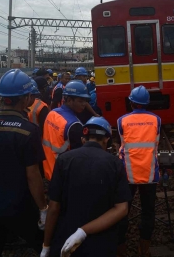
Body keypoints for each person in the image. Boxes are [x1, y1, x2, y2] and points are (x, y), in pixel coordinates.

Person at [0, 69, 48, 256]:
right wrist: (43, 208)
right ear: (26, 98)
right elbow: (33, 175)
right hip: (19, 206)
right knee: (41, 245)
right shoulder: (29, 131)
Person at [40, 117, 132, 257]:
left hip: (66, 240)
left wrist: (46, 246)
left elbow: (54, 207)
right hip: (102, 243)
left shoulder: (64, 160)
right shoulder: (115, 164)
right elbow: (121, 209)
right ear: (106, 139)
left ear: (84, 139)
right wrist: (83, 231)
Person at [117, 86, 161, 257]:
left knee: (122, 211)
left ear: (131, 102)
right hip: (149, 173)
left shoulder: (122, 121)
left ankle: (121, 249)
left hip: (128, 173)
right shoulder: (156, 120)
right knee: (148, 211)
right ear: (147, 103)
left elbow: (122, 142)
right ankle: (144, 249)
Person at [42, 80, 89, 181]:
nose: (84, 104)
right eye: (80, 101)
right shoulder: (74, 125)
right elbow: (79, 159)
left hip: (49, 170)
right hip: (64, 176)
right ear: (68, 100)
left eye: (85, 100)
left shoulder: (52, 113)